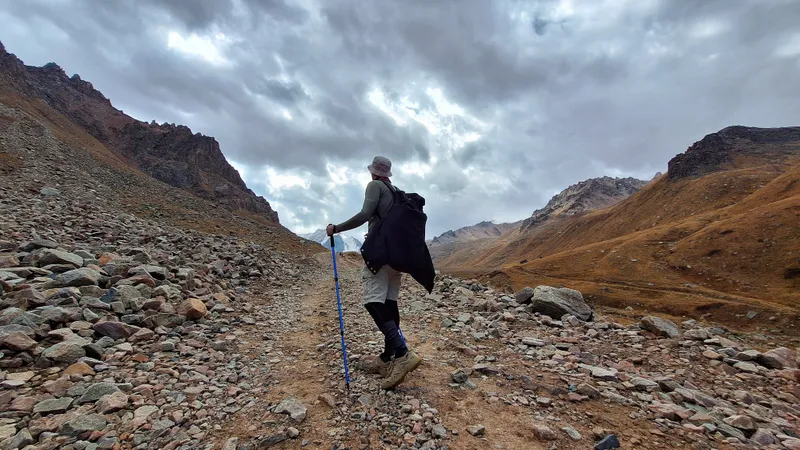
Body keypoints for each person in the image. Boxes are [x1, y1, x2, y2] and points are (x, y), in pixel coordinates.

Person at [326, 156, 422, 389]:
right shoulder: (397, 191)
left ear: (373, 172)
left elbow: (364, 214)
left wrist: (336, 228)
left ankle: (401, 353)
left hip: (380, 254)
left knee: (372, 302)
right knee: (389, 303)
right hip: (399, 256)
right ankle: (387, 357)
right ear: (388, 173)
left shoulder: (374, 186)